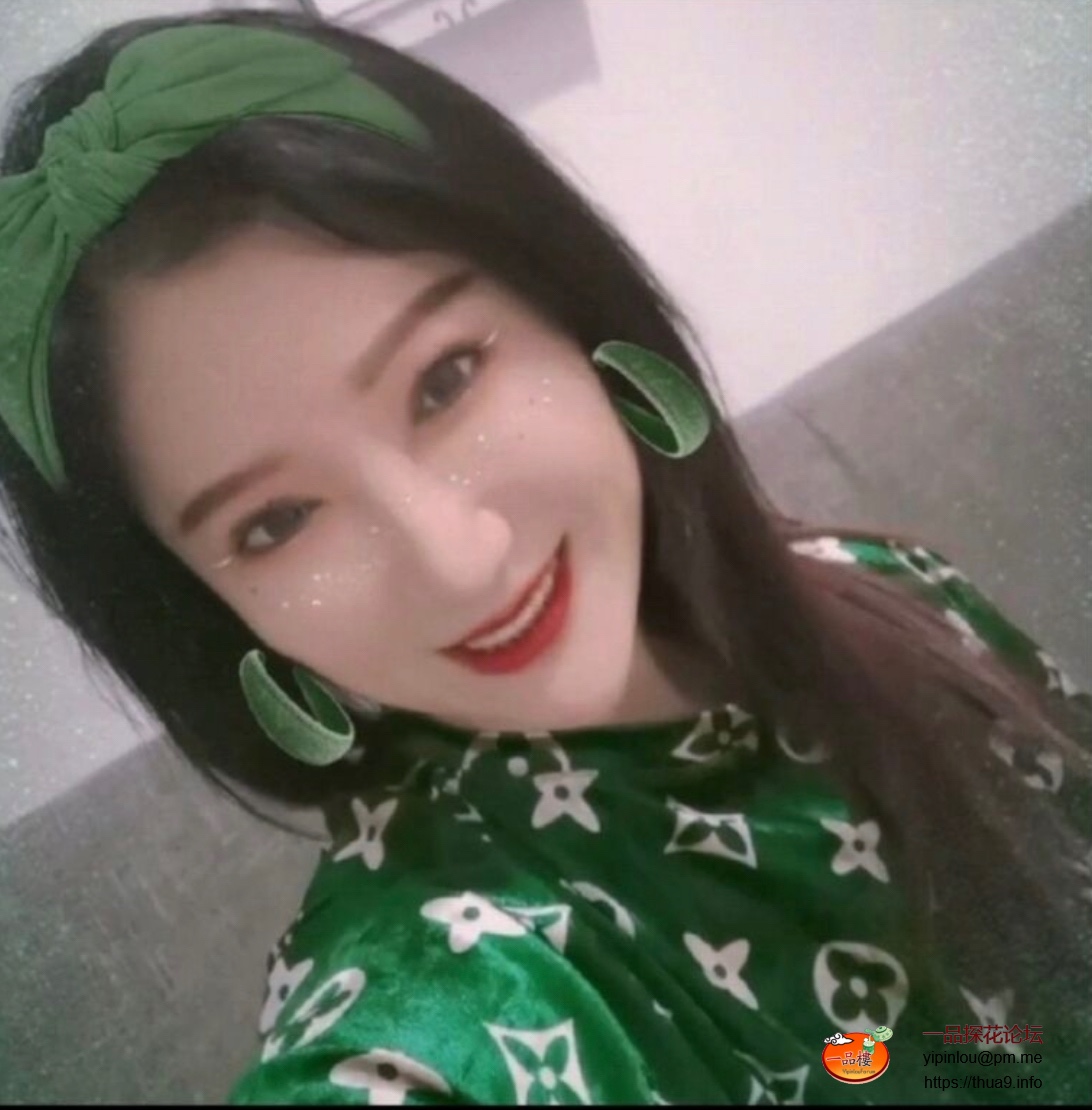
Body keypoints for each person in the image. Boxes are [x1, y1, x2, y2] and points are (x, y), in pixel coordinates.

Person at [0, 7, 1089, 1105]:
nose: (459, 563)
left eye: (445, 379)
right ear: (208, 613)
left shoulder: (896, 594)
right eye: (276, 523)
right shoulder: (440, 990)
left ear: (571, 310)